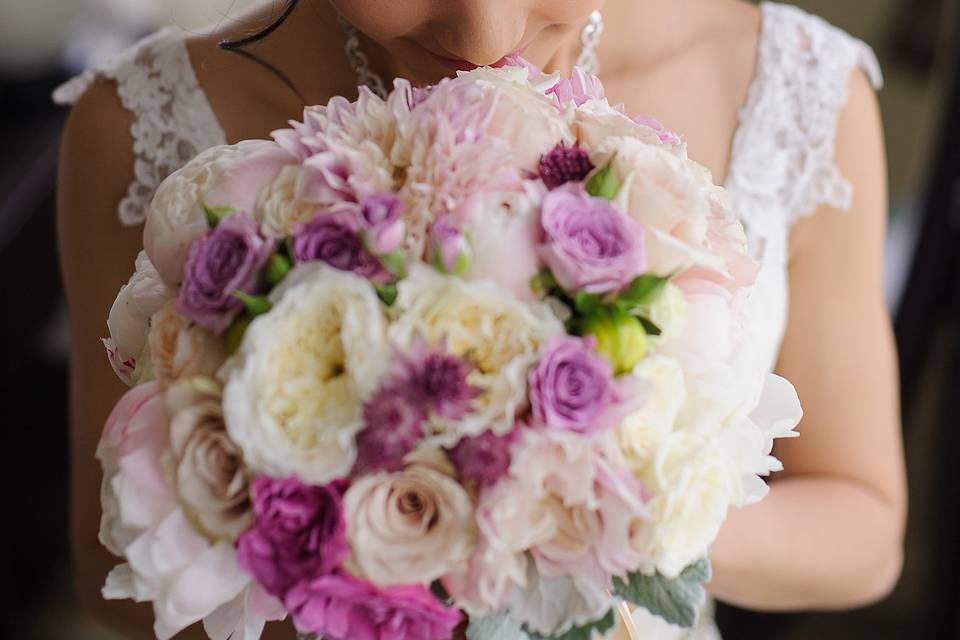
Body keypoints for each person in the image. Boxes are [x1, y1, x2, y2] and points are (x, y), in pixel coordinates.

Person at [54, 0, 907, 638]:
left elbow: (864, 526)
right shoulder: (133, 126)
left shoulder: (796, 90)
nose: (483, 35)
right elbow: (110, 562)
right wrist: (375, 572)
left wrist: (585, 517)